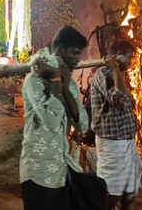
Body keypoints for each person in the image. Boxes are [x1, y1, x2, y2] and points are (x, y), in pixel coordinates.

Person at [20, 26, 89, 210]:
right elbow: (50, 122)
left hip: (61, 167)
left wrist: (64, 87)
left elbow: (83, 124)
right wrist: (56, 82)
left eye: (79, 54)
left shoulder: (69, 82)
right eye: (74, 53)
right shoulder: (33, 80)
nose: (78, 59)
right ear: (59, 48)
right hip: (38, 170)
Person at [91, 40, 142, 210]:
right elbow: (120, 99)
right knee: (112, 193)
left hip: (126, 142)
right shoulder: (104, 74)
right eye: (128, 57)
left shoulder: (118, 76)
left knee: (129, 193)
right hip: (112, 145)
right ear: (118, 56)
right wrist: (114, 68)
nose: (131, 61)